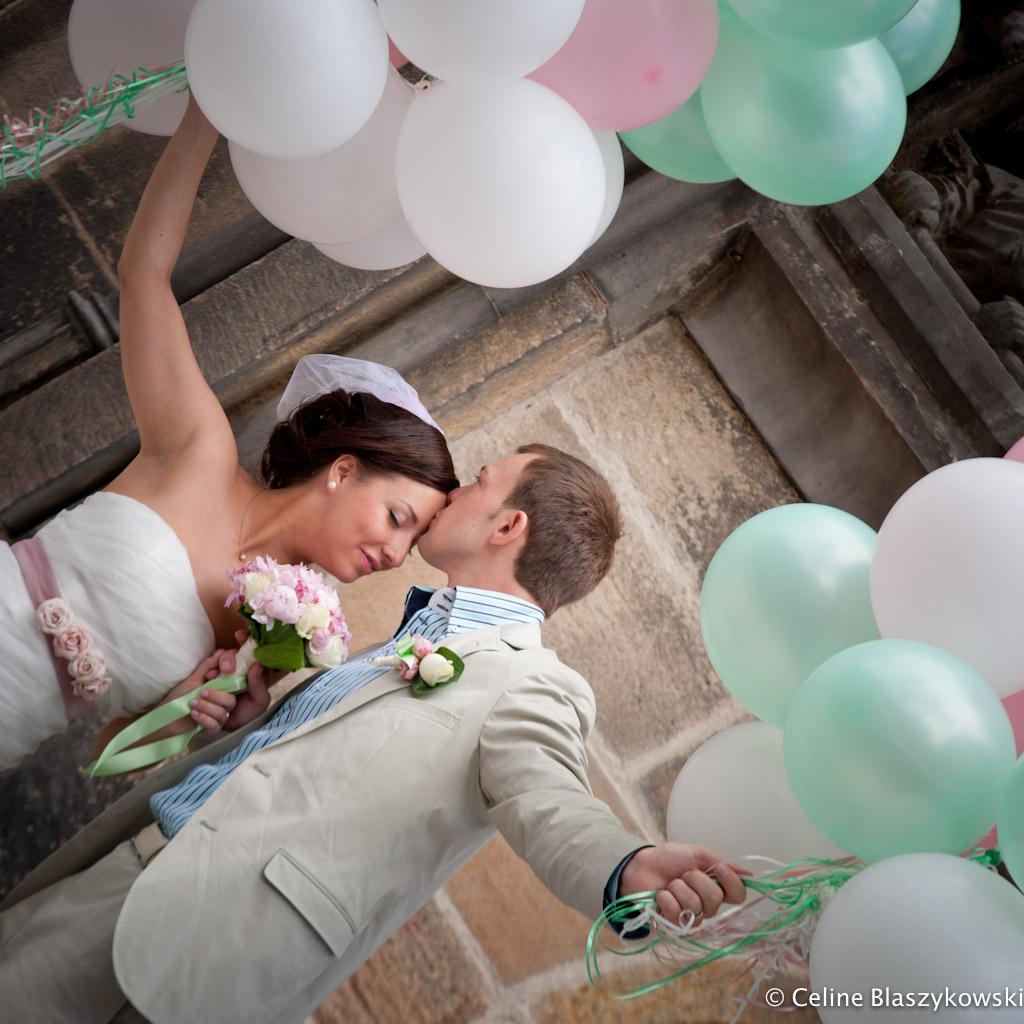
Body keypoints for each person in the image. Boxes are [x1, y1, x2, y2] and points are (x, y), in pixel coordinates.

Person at [0, 443, 748, 1024]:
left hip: (196, 936)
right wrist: (254, 718)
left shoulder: (532, 683)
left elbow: (547, 796)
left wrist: (622, 866)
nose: (455, 492)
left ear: (509, 525)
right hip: (130, 863)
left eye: (479, 479)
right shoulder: (414, 635)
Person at [0, 95, 457, 769]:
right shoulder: (199, 450)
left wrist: (193, 716)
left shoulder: (272, 634)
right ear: (343, 469)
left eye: (411, 542)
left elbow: (108, 754)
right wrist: (208, 111)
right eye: (398, 517)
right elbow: (143, 276)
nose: (395, 553)